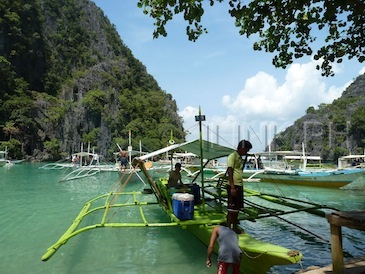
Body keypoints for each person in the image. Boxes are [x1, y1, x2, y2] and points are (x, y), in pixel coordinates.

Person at [226, 139, 252, 234]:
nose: (246, 152)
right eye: (246, 150)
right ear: (242, 148)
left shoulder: (240, 158)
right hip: (234, 185)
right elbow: (230, 170)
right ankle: (228, 228)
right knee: (231, 209)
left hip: (239, 185)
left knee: (237, 208)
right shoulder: (232, 156)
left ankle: (235, 227)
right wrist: (232, 187)